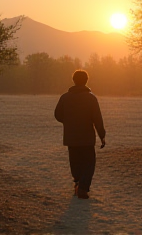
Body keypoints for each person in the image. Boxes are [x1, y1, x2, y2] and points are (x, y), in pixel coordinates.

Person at [54, 70, 106, 199]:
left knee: (75, 161)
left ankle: (77, 182)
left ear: (74, 80)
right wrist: (102, 135)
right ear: (86, 80)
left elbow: (57, 115)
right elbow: (97, 119)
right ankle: (83, 187)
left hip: (71, 137)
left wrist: (68, 122)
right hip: (87, 137)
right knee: (89, 163)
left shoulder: (65, 97)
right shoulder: (91, 98)